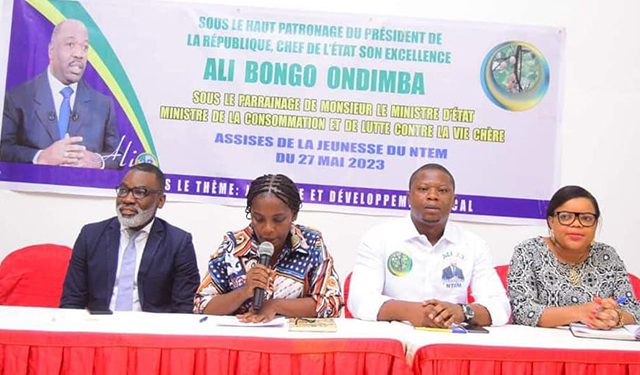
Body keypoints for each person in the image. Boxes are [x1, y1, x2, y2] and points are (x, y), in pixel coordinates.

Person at [348, 163, 510, 327]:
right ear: (408, 197)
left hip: (451, 339)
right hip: (394, 338)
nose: (433, 196)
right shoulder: (379, 237)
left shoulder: (474, 244)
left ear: (454, 201)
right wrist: (412, 312)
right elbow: (359, 300)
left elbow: (500, 307)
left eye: (442, 191)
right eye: (423, 189)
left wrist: (461, 312)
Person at [194, 174, 342, 322]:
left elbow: (332, 303)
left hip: (291, 342)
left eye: (278, 220)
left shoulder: (311, 243)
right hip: (240, 340)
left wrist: (275, 305)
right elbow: (201, 306)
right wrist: (244, 292)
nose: (268, 229)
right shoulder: (233, 246)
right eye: (258, 219)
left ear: (294, 215)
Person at [60, 163, 200, 312]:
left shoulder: (178, 243)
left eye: (139, 192)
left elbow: (184, 308)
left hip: (149, 331)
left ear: (160, 201)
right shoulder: (91, 235)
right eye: (123, 190)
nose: (128, 199)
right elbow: (72, 300)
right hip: (99, 327)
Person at [508, 185, 640, 328]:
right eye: (566, 217)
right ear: (551, 221)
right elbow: (522, 311)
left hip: (598, 345)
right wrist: (581, 312)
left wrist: (615, 317)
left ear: (595, 224)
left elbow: (633, 310)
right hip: (543, 346)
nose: (577, 224)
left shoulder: (607, 255)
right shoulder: (528, 251)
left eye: (586, 218)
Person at [1, 19, 121, 169]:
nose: (79, 54)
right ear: (51, 50)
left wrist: (97, 161)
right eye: (70, 44)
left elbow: (117, 157)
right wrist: (40, 157)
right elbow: (3, 148)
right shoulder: (17, 98)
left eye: (85, 47)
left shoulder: (103, 105)